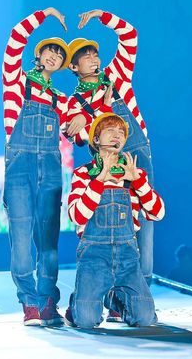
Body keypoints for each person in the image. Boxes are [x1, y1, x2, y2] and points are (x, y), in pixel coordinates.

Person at [66, 9, 155, 320]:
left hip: (137, 152)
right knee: (103, 224)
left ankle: (131, 297)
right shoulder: (71, 104)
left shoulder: (116, 73)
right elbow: (80, 140)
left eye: (94, 52)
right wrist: (90, 113)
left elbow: (130, 36)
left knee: (143, 225)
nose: (93, 57)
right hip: (102, 166)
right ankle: (88, 292)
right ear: (74, 67)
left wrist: (102, 16)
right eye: (85, 56)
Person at [2, 7, 71, 326]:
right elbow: (15, 40)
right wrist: (44, 14)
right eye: (51, 49)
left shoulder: (62, 99)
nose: (55, 55)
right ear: (38, 54)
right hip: (20, 166)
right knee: (21, 238)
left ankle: (46, 301)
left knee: (49, 240)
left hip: (51, 168)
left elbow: (83, 128)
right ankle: (28, 300)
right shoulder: (17, 83)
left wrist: (85, 122)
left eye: (61, 53)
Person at [65, 113, 165, 329]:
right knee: (85, 321)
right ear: (97, 140)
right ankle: (78, 301)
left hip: (127, 257)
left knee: (145, 319)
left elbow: (157, 213)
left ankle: (114, 297)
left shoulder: (134, 173)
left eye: (121, 132)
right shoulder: (84, 174)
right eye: (110, 130)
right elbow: (76, 215)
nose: (117, 135)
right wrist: (100, 180)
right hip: (94, 257)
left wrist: (138, 182)